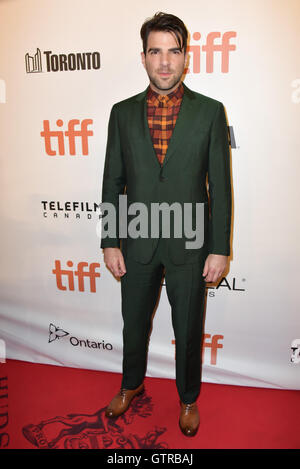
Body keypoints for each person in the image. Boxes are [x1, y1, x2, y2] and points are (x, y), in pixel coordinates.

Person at [100, 12, 232, 437]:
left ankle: (188, 397)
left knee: (188, 327)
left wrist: (219, 247)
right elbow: (112, 181)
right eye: (155, 51)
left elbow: (221, 186)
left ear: (185, 58)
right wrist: (109, 239)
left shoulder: (211, 112)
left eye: (173, 51)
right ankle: (131, 383)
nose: (164, 62)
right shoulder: (121, 114)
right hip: (135, 241)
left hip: (191, 244)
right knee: (133, 322)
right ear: (143, 58)